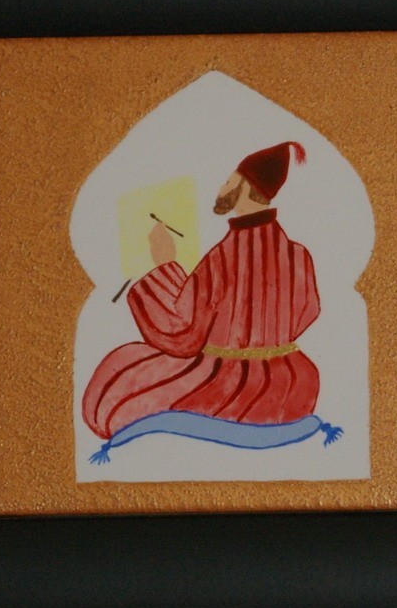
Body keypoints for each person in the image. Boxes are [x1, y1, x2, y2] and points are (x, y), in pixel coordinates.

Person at [82, 140, 324, 449]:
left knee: (116, 383)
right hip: (293, 384)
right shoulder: (298, 255)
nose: (222, 187)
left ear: (246, 188)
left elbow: (183, 333)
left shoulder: (223, 257)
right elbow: (309, 311)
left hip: (229, 386)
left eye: (230, 181)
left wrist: (165, 263)